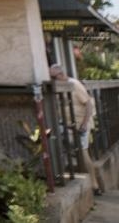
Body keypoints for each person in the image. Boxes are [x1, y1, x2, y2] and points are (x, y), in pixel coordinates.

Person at [51, 63, 104, 195]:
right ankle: (90, 183)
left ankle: (95, 185)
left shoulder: (74, 84)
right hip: (69, 125)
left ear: (61, 75)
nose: (52, 80)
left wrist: (85, 124)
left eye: (53, 77)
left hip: (81, 125)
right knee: (77, 153)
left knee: (84, 153)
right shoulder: (61, 87)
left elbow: (89, 105)